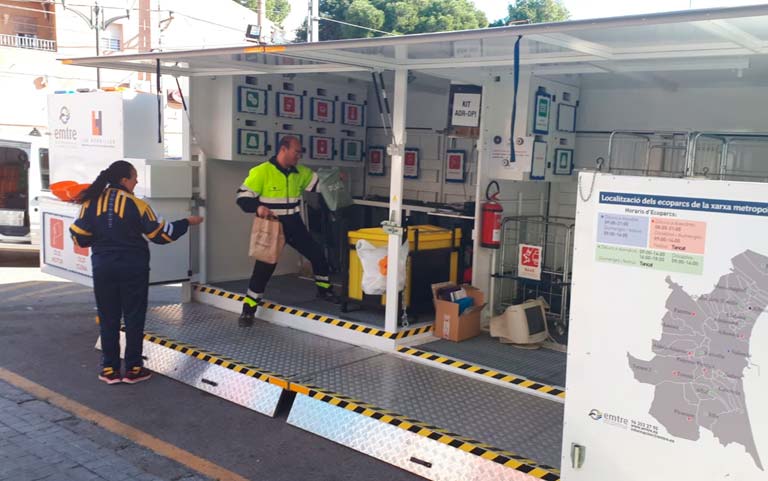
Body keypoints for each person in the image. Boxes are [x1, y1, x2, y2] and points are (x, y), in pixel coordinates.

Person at [69, 160, 203, 385]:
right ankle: (133, 368)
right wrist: (187, 222)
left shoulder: (90, 203)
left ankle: (109, 369)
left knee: (108, 316)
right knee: (133, 316)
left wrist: (102, 241)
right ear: (124, 181)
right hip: (133, 267)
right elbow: (161, 235)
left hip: (103, 266)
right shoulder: (137, 204)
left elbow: (78, 236)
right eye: (134, 177)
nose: (137, 181)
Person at [236, 136, 339, 326]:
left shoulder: (300, 172)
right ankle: (248, 311)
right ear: (284, 149)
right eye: (296, 152)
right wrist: (258, 208)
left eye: (300, 153)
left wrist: (337, 179)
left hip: (294, 223)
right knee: (264, 270)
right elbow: (242, 197)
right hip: (273, 226)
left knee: (317, 255)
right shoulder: (261, 172)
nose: (299, 156)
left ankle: (324, 291)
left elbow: (321, 184)